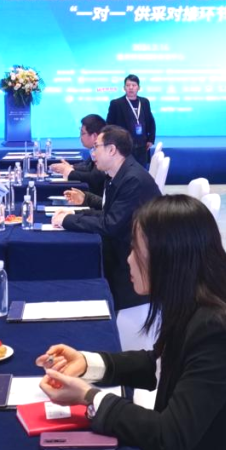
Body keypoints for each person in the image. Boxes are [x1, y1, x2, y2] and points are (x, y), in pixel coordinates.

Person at [36, 195, 226, 450]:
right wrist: (87, 363)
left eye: (135, 250)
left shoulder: (216, 328)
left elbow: (169, 437)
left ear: (168, 257)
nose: (128, 260)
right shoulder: (194, 303)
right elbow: (161, 363)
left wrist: (89, 397)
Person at [51, 125, 160, 311]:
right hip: (123, 248)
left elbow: (110, 224)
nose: (93, 154)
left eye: (96, 148)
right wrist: (74, 214)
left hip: (136, 262)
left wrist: (67, 221)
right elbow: (109, 214)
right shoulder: (119, 174)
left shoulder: (133, 179)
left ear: (111, 150)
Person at [49, 114, 108, 195]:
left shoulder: (104, 152)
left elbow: (93, 178)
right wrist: (70, 167)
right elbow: (87, 166)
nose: (80, 137)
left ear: (94, 136)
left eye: (83, 133)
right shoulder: (95, 150)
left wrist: (69, 172)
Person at [106, 74, 156, 167]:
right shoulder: (116, 103)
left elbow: (151, 121)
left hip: (142, 145)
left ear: (138, 88)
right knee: (126, 170)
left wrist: (151, 139)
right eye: (128, 85)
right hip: (124, 145)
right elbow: (109, 125)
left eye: (134, 85)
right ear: (124, 88)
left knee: (141, 170)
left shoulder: (145, 102)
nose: (131, 88)